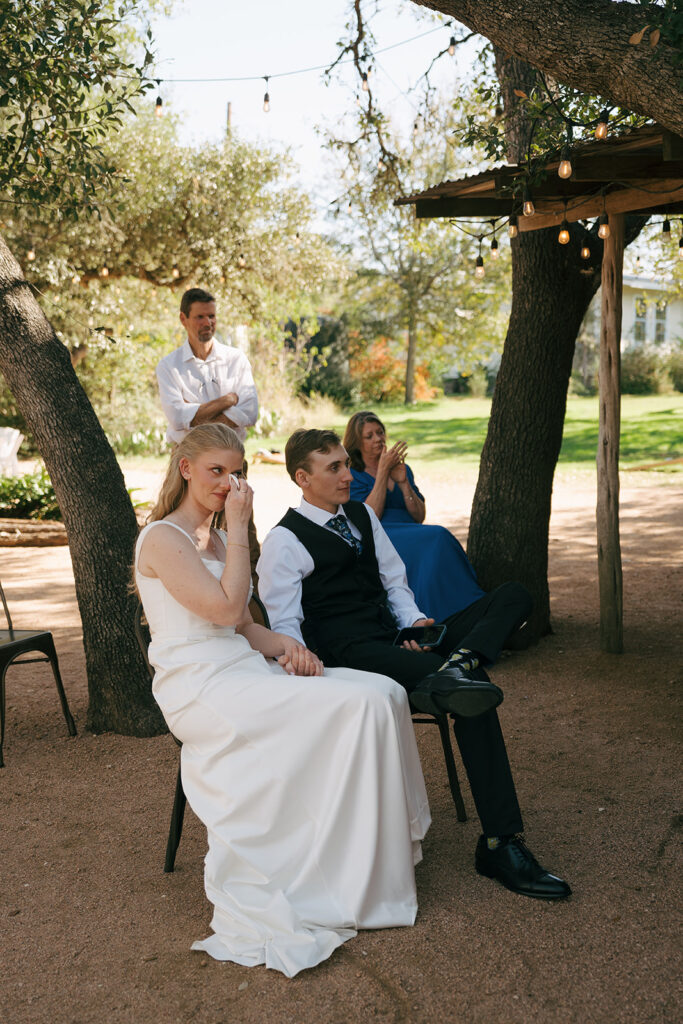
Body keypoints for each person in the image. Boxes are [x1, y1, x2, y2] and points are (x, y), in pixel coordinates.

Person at [134, 423, 430, 977]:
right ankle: (337, 875)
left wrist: (291, 647)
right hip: (200, 686)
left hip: (244, 667)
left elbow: (245, 625)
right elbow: (223, 613)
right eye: (216, 470)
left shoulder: (218, 540)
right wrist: (243, 528)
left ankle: (386, 851)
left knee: (382, 691)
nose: (228, 483)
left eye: (236, 472)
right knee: (357, 707)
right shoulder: (163, 538)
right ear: (186, 469)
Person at [257, 428, 571, 902]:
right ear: (303, 478)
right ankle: (500, 843)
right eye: (335, 468)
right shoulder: (283, 541)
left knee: (513, 596)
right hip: (351, 656)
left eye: (346, 464)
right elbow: (286, 625)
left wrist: (417, 625)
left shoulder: (362, 514)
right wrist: (312, 682)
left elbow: (394, 581)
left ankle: (457, 663)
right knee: (474, 692)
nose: (348, 475)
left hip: (396, 639)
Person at [343, 410, 484, 623]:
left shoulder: (402, 468)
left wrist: (403, 482)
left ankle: (469, 608)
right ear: (357, 442)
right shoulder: (352, 474)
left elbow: (419, 516)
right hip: (381, 533)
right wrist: (382, 472)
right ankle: (434, 616)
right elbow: (370, 516)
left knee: (438, 541)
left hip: (411, 529)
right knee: (437, 536)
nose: (378, 439)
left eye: (380, 432)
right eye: (369, 435)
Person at [155, 287, 258, 446]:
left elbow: (250, 412)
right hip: (186, 456)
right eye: (200, 317)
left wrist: (192, 418)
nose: (207, 323)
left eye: (211, 316)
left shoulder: (236, 359)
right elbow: (176, 418)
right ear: (183, 319)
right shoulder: (168, 366)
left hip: (231, 455)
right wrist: (227, 401)